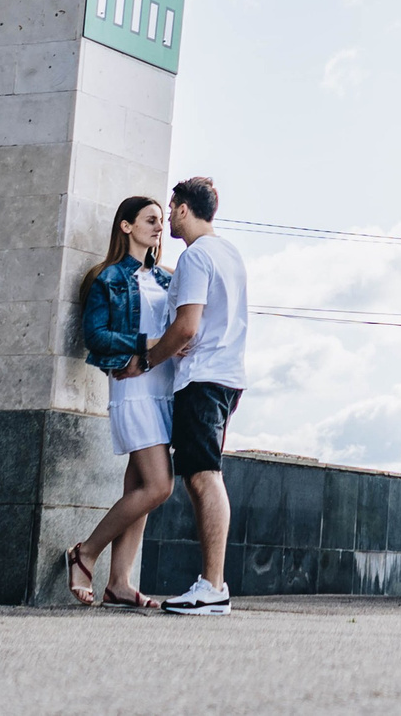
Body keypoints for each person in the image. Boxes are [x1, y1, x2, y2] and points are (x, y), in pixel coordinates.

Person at [66, 195, 177, 609]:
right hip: (134, 388)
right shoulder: (107, 278)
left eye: (162, 221)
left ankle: (120, 582)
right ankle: (86, 552)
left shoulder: (168, 279)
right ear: (126, 226)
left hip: (165, 389)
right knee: (158, 486)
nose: (158, 226)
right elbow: (95, 336)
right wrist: (144, 344)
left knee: (140, 485)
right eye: (150, 219)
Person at [147, 174, 249, 618]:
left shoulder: (194, 258)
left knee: (203, 475)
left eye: (171, 208)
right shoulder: (227, 252)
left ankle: (212, 586)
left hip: (203, 378)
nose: (168, 216)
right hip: (226, 376)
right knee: (201, 474)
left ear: (185, 208)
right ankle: (212, 585)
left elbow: (187, 326)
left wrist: (148, 358)